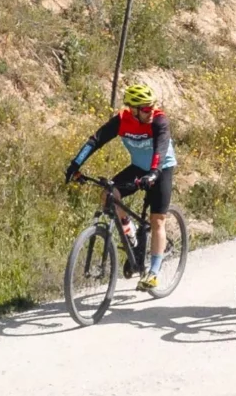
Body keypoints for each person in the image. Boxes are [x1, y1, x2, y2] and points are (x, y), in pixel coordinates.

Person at [66, 80, 179, 291]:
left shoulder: (159, 121)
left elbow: (161, 149)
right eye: (146, 109)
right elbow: (95, 141)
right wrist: (75, 164)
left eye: (152, 105)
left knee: (157, 220)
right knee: (109, 194)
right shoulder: (121, 121)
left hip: (162, 168)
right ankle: (131, 234)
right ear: (133, 110)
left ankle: (153, 272)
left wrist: (154, 172)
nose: (151, 111)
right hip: (138, 167)